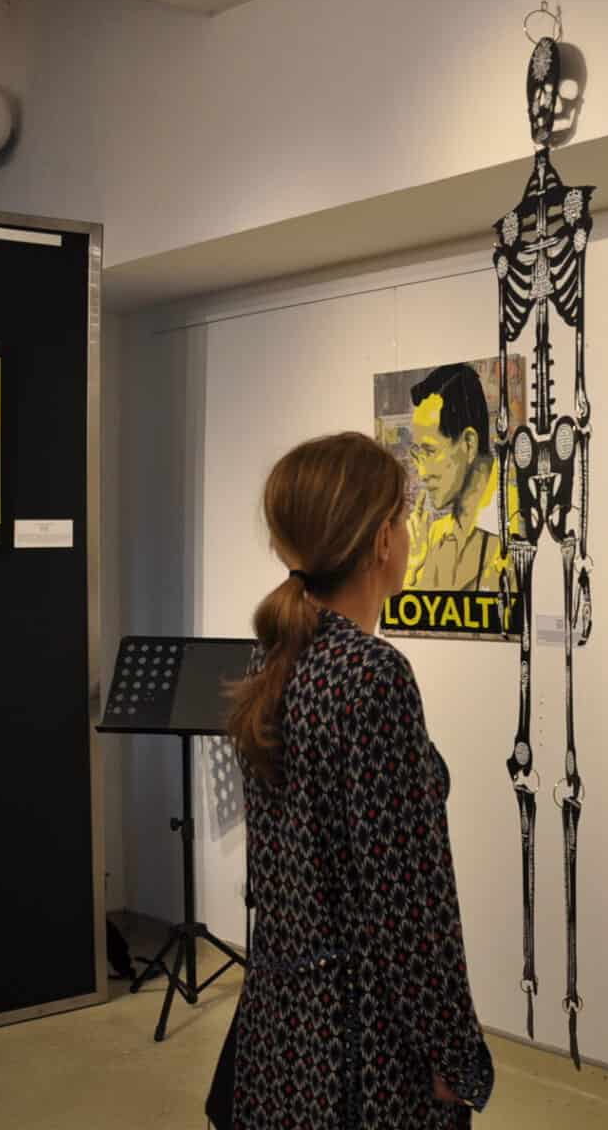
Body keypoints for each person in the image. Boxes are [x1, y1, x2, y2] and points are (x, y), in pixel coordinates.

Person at [226, 431, 494, 1128]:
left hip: (283, 1022)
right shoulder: (372, 677)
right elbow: (409, 902)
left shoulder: (275, 656)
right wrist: (450, 1047)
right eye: (401, 520)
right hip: (364, 1040)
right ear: (381, 541)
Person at [403, 363, 512, 593]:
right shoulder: (433, 536)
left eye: (430, 451)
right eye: (417, 454)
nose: (422, 473)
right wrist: (412, 568)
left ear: (469, 444)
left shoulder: (518, 526)